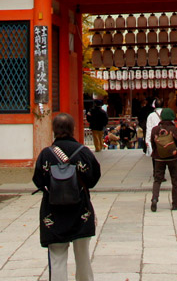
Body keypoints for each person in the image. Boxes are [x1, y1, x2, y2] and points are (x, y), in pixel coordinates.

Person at [32, 112, 101, 281]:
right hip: (80, 209)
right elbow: (93, 178)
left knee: (57, 257)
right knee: (83, 255)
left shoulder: (46, 155)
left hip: (53, 210)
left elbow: (38, 180)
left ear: (53, 130)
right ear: (73, 129)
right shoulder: (83, 152)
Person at [149, 107, 177, 212]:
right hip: (172, 158)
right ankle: (175, 204)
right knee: (175, 180)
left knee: (157, 180)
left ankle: (155, 198)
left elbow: (152, 142)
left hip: (158, 158)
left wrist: (156, 153)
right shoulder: (174, 129)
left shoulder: (155, 129)